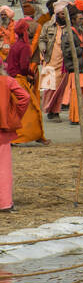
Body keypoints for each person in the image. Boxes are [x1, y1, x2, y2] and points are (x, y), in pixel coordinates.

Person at [4, 17, 44, 144]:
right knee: (31, 109)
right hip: (19, 80)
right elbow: (23, 66)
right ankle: (22, 137)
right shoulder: (25, 47)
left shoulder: (15, 45)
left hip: (11, 79)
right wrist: (31, 74)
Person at [0, 68, 30, 211]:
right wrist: (14, 115)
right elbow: (25, 97)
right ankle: (4, 203)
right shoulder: (7, 81)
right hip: (3, 130)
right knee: (3, 168)